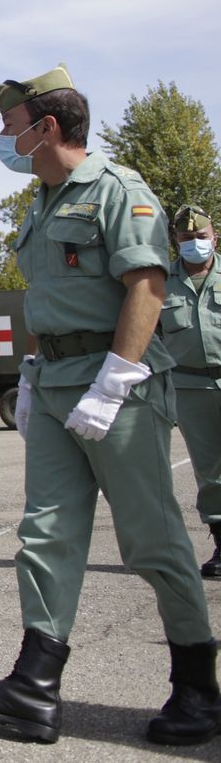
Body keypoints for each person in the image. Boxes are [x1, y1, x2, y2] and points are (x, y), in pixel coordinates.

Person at [0, 66, 219, 746]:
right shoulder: (41, 202)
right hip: (59, 379)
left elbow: (147, 287)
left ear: (49, 128)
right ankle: (34, 688)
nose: (6, 140)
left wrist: (117, 378)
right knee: (45, 535)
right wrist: (33, 374)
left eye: (12, 127)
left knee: (152, 540)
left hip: (114, 387)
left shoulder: (116, 191)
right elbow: (44, 299)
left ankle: (198, 689)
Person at [163, 204, 221, 579]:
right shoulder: (158, 282)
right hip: (188, 384)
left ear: (215, 237)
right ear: (175, 241)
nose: (195, 244)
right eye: (186, 239)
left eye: (201, 237)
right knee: (211, 470)